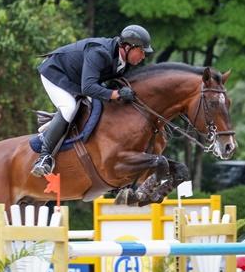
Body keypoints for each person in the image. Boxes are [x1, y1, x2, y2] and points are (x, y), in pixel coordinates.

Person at [31, 24, 154, 177]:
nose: (143, 56)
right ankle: (44, 157)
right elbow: (89, 87)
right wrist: (116, 94)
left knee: (96, 107)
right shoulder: (100, 53)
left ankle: (56, 124)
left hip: (78, 79)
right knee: (69, 108)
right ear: (128, 47)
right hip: (56, 72)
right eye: (141, 51)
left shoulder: (122, 63)